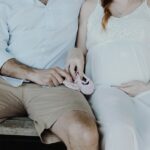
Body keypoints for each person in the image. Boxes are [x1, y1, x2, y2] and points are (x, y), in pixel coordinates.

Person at [0, 0, 99, 149]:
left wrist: (78, 50)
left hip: (57, 85)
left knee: (84, 133)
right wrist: (32, 73)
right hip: (6, 83)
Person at [66, 0, 150, 149]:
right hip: (106, 90)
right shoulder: (91, 6)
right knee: (120, 128)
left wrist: (147, 87)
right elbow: (81, 50)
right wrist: (74, 52)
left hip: (145, 91)